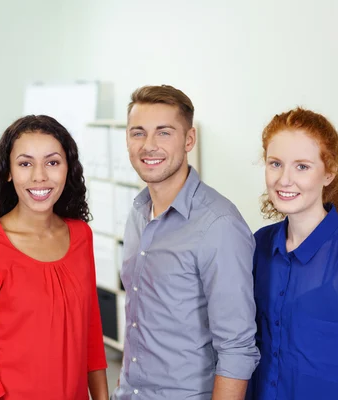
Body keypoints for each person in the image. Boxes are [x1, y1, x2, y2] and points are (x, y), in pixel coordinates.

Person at [112, 85, 259, 400]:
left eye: (164, 133)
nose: (148, 145)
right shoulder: (138, 211)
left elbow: (237, 349)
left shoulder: (219, 225)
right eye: (138, 133)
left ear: (189, 139)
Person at [0, 115, 108, 400]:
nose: (40, 176)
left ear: (68, 169)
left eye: (52, 162)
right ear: (8, 172)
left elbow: (91, 333)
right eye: (25, 163)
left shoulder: (81, 236)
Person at [248, 107, 338, 399]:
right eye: (275, 163)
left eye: (302, 166)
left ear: (329, 173)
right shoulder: (257, 247)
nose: (284, 180)